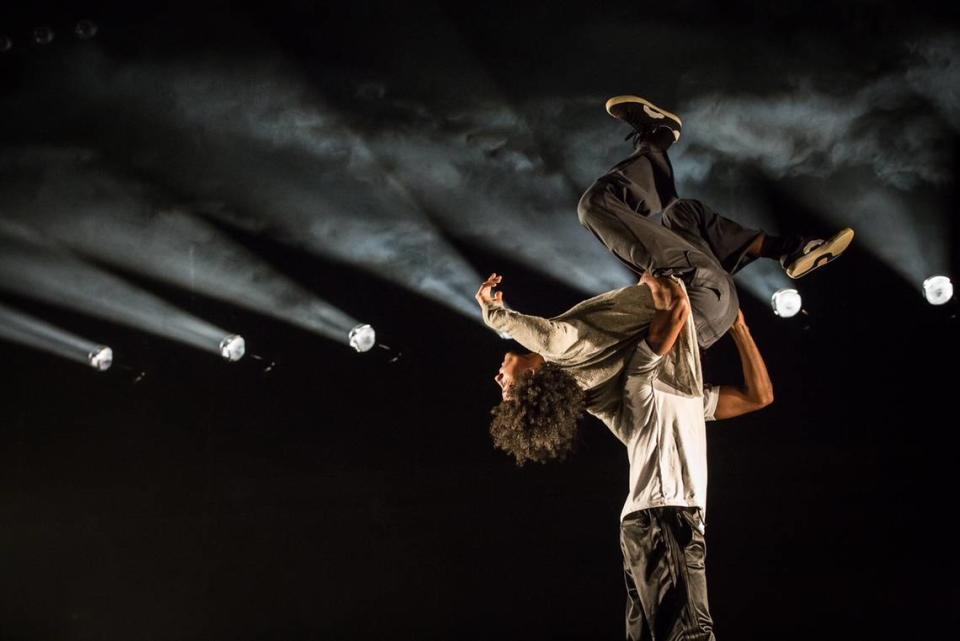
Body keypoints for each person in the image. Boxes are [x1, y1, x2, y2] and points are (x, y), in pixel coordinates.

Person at [476, 271, 773, 640]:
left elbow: (758, 397)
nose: (497, 381)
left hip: (655, 519)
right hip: (665, 517)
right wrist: (651, 272)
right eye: (507, 390)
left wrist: (740, 328)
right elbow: (676, 309)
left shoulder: (679, 398)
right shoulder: (639, 380)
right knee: (689, 633)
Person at [577, 95, 854, 348]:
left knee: (680, 212)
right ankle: (657, 138)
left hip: (718, 305)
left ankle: (788, 248)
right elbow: (760, 395)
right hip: (695, 304)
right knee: (594, 206)